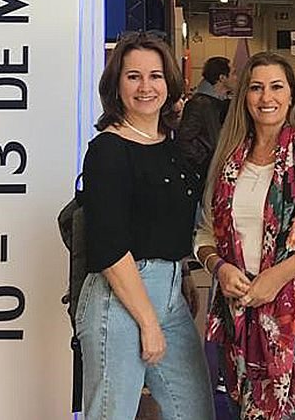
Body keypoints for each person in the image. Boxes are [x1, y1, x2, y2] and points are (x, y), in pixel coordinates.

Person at [195, 52, 295, 419]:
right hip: (235, 316)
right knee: (239, 411)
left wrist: (276, 277)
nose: (266, 97)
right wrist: (219, 267)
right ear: (244, 97)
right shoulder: (229, 157)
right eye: (256, 88)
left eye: (276, 87)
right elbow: (204, 231)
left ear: (292, 95)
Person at [77, 32, 214, 420]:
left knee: (194, 411)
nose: (145, 87)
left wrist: (181, 273)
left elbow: (163, 220)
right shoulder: (107, 150)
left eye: (155, 76)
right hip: (120, 299)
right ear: (116, 85)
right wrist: (148, 322)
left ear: (169, 83)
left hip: (170, 293)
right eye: (133, 76)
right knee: (112, 414)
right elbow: (109, 246)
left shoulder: (169, 144)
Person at [177, 56, 232, 180]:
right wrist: (204, 159)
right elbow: (183, 140)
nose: (237, 77)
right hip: (205, 172)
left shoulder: (220, 103)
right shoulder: (199, 104)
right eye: (233, 73)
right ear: (222, 78)